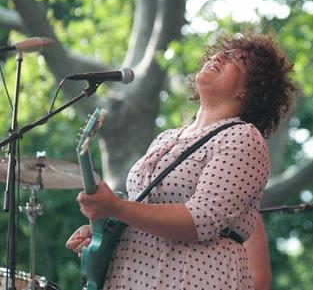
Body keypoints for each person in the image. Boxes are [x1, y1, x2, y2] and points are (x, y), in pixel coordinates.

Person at [66, 32, 297, 290]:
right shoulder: (167, 138)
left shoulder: (243, 137)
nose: (218, 56)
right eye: (221, 52)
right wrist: (108, 230)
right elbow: (143, 209)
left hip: (190, 277)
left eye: (235, 59)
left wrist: (116, 208)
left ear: (249, 89)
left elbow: (201, 219)